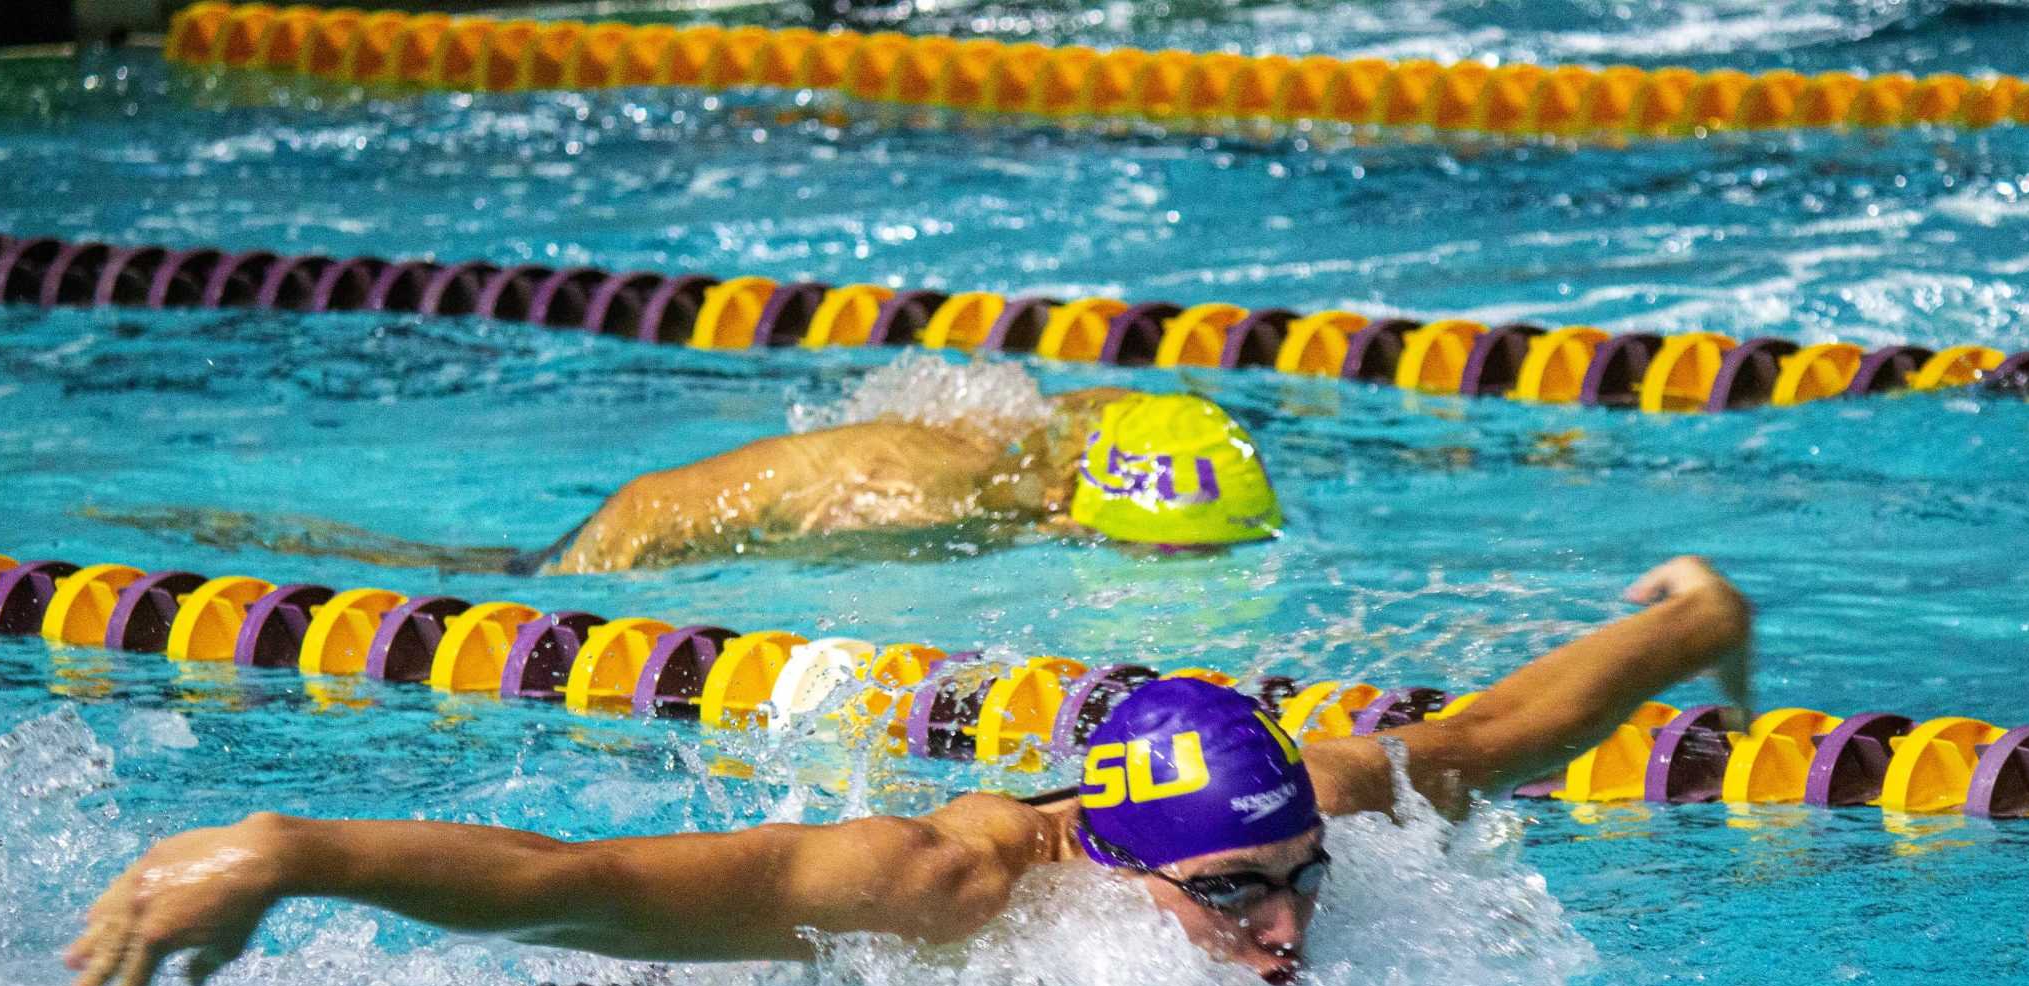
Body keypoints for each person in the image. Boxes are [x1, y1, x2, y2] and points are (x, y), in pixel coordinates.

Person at [66, 555, 1750, 986]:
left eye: (1298, 874)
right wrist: (293, 850)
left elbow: (1513, 730)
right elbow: (584, 879)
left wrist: (1691, 625)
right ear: (1116, 854)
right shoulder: (947, 884)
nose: (1284, 923)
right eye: (1230, 894)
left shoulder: (1295, 797)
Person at [83, 389, 1284, 575]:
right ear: (1085, 510)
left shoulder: (1098, 441)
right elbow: (654, 504)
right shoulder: (916, 487)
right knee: (433, 579)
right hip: (612, 546)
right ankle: (203, 527)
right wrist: (562, 603)